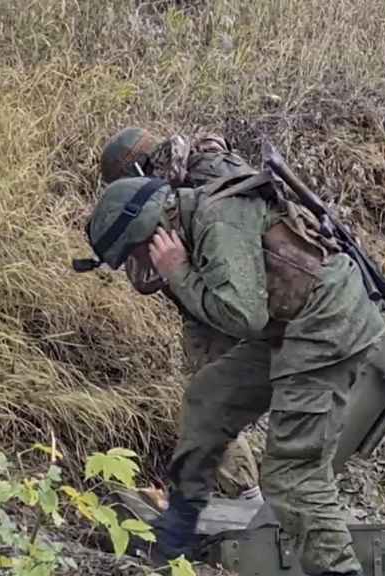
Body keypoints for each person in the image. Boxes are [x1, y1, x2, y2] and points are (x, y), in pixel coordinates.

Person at [76, 129, 385, 575]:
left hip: (327, 324)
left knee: (292, 475)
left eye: (137, 254)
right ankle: (175, 536)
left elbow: (242, 317)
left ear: (154, 233)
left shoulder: (215, 218)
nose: (140, 267)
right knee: (208, 396)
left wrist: (178, 271)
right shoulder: (193, 214)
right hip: (290, 321)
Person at [98, 127, 267, 504]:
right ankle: (227, 490)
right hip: (224, 298)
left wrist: (178, 270)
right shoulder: (195, 169)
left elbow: (159, 275)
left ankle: (244, 498)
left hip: (224, 304)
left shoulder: (193, 185)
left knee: (208, 399)